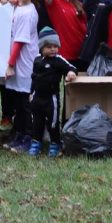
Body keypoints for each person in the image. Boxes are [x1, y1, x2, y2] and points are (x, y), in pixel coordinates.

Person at [5, 0, 42, 152]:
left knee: (26, 104)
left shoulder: (28, 12)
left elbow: (20, 41)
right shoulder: (19, 7)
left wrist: (11, 64)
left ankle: (29, 137)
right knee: (18, 102)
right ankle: (18, 133)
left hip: (25, 61)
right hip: (17, 61)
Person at [27, 27, 78, 157]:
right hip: (37, 97)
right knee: (36, 121)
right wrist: (31, 93)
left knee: (53, 122)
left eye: (55, 46)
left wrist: (71, 73)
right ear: (41, 47)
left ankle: (55, 143)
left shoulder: (58, 60)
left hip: (51, 98)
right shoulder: (37, 60)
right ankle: (36, 142)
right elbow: (34, 77)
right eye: (49, 46)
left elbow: (71, 67)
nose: (53, 49)